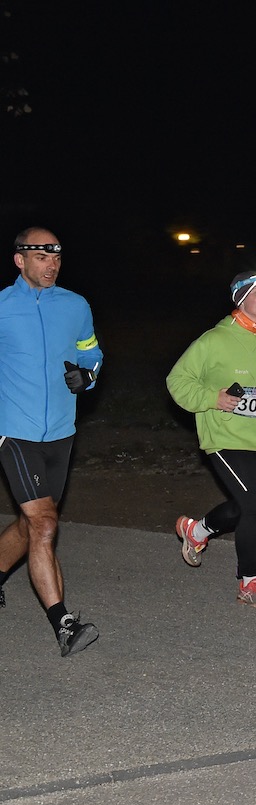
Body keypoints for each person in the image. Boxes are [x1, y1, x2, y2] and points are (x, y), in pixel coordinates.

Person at [167, 271, 256, 608]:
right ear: (240, 298)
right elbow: (177, 380)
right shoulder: (214, 340)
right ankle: (249, 581)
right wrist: (213, 398)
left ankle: (197, 531)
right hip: (224, 435)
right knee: (255, 507)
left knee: (246, 506)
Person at [0, 227, 103, 657]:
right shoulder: (2, 307)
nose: (52, 264)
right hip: (14, 432)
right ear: (19, 260)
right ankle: (63, 623)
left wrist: (88, 376)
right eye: (41, 256)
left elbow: (91, 354)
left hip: (62, 433)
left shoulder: (75, 305)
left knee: (31, 525)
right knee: (44, 524)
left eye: (56, 256)